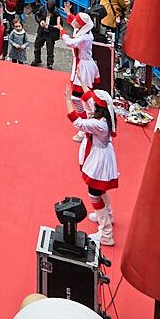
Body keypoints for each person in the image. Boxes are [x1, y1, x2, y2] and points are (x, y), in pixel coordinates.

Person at [68, 88, 120, 246]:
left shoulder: (99, 124)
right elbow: (89, 99)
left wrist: (67, 102)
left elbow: (77, 122)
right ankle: (108, 215)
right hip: (101, 156)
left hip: (99, 159)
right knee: (100, 189)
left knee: (94, 193)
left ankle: (106, 233)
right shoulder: (106, 118)